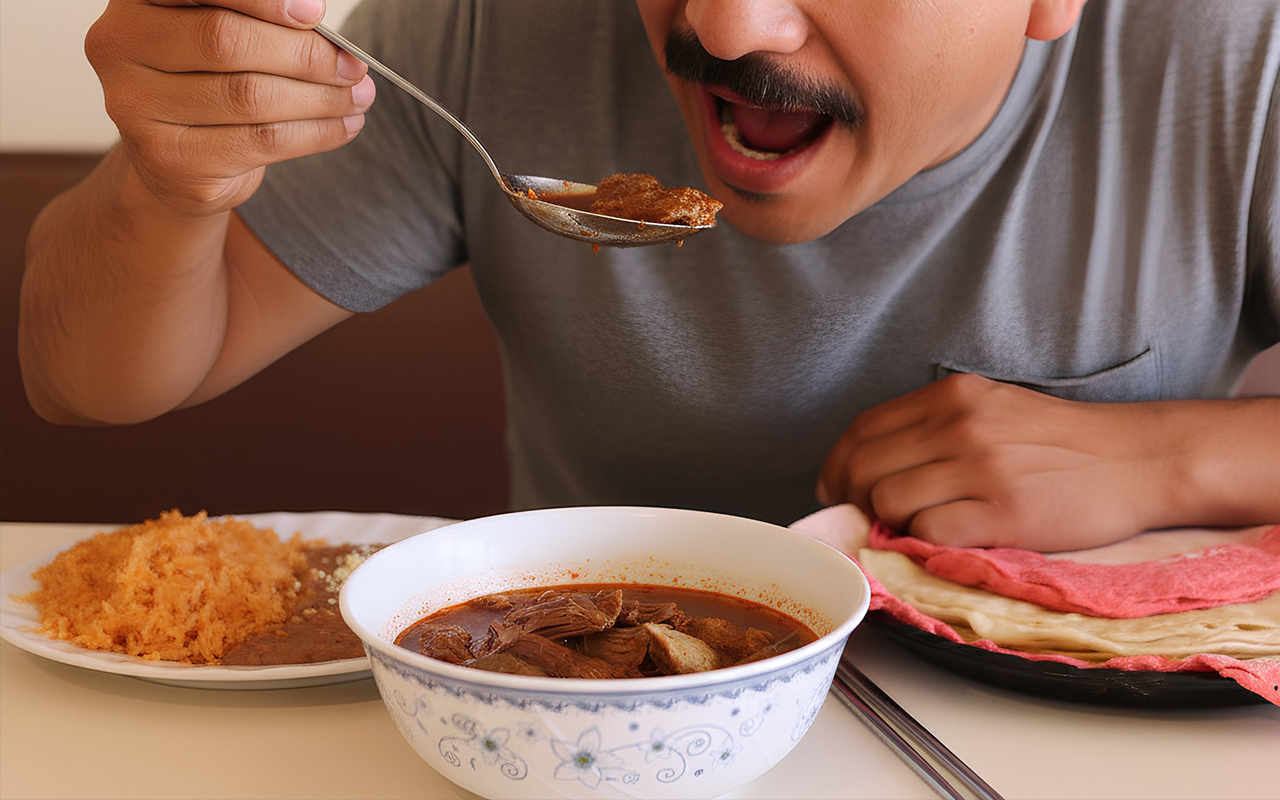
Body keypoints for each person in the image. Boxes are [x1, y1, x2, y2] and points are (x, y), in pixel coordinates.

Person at [18, 0, 1280, 551]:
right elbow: (93, 380)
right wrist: (168, 181)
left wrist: (1169, 456)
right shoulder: (483, 27)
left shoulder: (1237, 56)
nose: (724, 28)